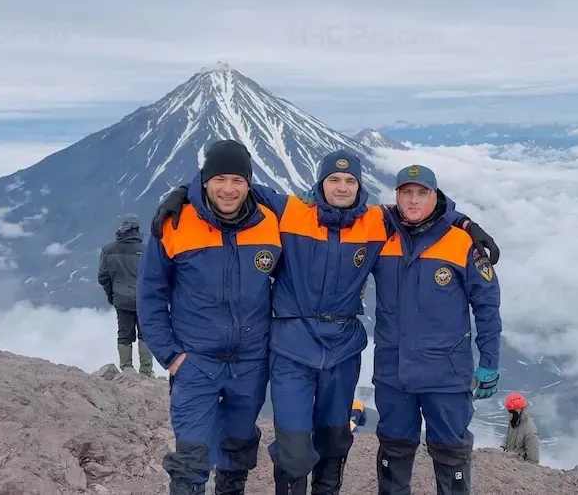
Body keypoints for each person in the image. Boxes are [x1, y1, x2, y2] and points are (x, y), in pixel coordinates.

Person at [150, 150, 500, 495]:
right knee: (295, 445)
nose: (342, 187)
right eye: (334, 179)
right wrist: (181, 194)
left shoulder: (376, 222)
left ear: (360, 186)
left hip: (342, 347)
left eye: (350, 180)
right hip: (292, 345)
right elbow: (236, 185)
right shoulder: (291, 212)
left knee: (335, 438)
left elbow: (423, 214)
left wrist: (467, 224)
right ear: (320, 183)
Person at [136, 140, 282, 495]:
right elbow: (149, 294)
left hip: (250, 362)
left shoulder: (273, 220)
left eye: (237, 179)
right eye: (219, 179)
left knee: (237, 451)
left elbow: (322, 222)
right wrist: (171, 356)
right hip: (195, 362)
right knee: (191, 458)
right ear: (204, 181)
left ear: (249, 183)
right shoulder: (174, 224)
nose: (228, 189)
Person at [372, 164, 502, 495]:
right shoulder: (380, 235)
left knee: (450, 451)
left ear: (435, 196)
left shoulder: (462, 243)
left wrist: (489, 361)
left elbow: (486, 306)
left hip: (445, 373)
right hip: (393, 371)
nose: (413, 201)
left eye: (422, 193)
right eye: (406, 193)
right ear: (397, 197)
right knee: (394, 447)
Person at [97, 215, 154, 377]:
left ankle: (127, 370)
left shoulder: (108, 250)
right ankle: (146, 371)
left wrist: (112, 295)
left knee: (124, 334)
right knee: (145, 334)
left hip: (120, 299)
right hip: (143, 300)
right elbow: (155, 277)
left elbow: (103, 277)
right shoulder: (146, 250)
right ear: (136, 230)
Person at [501, 392, 540, 464]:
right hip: (508, 463)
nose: (508, 414)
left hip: (519, 468)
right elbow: (508, 435)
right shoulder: (513, 421)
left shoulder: (530, 431)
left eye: (511, 412)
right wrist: (502, 447)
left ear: (518, 411)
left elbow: (533, 461)